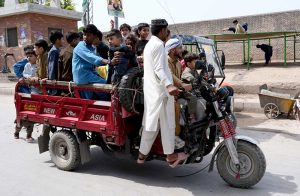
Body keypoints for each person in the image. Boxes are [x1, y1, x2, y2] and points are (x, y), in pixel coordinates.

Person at [138, 19, 189, 168]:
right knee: (167, 125)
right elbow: (159, 68)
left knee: (151, 125)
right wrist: (169, 85)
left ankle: (142, 155)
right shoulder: (159, 45)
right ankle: (171, 156)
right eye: (167, 30)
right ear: (162, 31)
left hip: (152, 92)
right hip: (161, 93)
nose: (167, 33)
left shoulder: (149, 45)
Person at [72, 24, 111, 99]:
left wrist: (98, 74)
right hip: (83, 76)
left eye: (88, 35)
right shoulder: (80, 46)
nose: (85, 37)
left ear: (95, 36)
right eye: (84, 35)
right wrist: (109, 62)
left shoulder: (92, 48)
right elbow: (91, 57)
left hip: (88, 75)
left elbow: (92, 65)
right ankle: (106, 103)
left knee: (88, 99)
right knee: (106, 85)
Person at [165, 38, 192, 148]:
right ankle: (175, 136)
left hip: (176, 92)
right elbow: (171, 75)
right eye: (180, 47)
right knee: (175, 107)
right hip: (166, 94)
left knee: (194, 99)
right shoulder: (165, 61)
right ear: (172, 50)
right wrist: (182, 84)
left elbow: (181, 77)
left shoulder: (178, 63)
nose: (182, 50)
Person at [14, 48, 38, 142]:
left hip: (34, 92)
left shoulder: (38, 65)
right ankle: (16, 132)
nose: (28, 58)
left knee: (31, 116)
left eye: (31, 56)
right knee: (21, 116)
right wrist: (25, 78)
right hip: (25, 92)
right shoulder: (27, 64)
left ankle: (29, 135)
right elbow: (24, 74)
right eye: (27, 56)